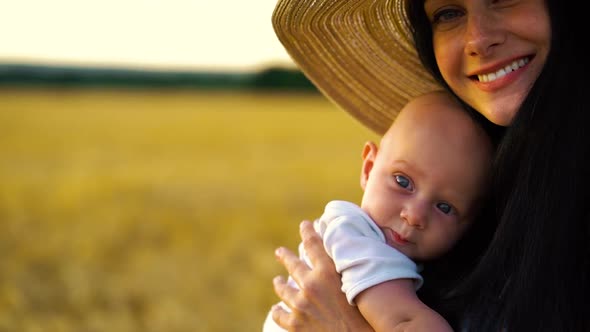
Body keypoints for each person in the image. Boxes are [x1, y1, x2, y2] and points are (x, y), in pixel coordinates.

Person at [268, 0, 590, 331]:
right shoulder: (358, 235)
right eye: (448, 13)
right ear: (368, 167)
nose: (478, 39)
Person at [263, 91, 494, 332]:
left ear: (469, 225)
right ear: (368, 168)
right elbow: (404, 322)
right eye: (403, 182)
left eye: (444, 207)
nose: (414, 216)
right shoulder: (351, 234)